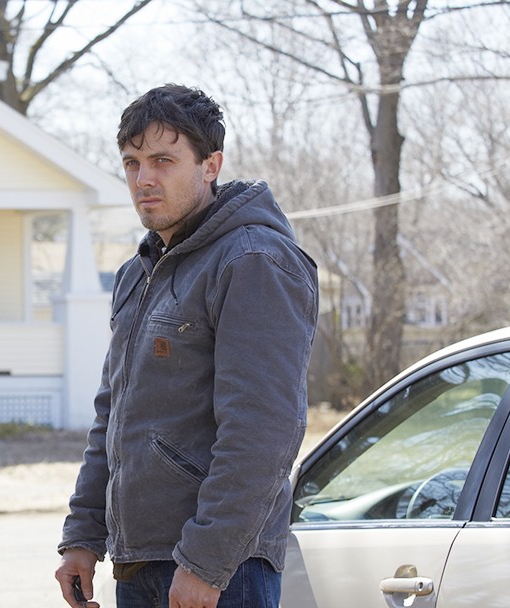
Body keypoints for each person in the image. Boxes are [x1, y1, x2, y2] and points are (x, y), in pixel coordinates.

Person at [55, 84, 319, 608]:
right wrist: (83, 534)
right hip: (140, 562)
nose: (143, 179)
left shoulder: (253, 261)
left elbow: (263, 429)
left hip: (223, 571)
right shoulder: (137, 273)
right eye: (132, 163)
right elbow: (113, 416)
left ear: (210, 165)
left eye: (163, 160)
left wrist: (206, 561)